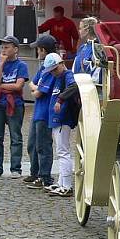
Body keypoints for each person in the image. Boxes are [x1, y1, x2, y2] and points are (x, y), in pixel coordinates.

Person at [0, 35, 29, 178]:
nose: (3, 50)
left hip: (15, 104)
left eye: (7, 47)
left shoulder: (21, 65)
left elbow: (18, 86)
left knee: (15, 137)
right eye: (2, 47)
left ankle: (15, 169)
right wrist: (1, 64)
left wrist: (1, 86)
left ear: (15, 49)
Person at [43, 53, 77, 197]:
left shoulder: (67, 75)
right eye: (52, 70)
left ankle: (67, 185)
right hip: (57, 119)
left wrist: (60, 100)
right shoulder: (58, 77)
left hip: (62, 119)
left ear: (62, 64)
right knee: (61, 151)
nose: (54, 72)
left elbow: (74, 86)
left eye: (55, 69)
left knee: (63, 152)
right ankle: (61, 183)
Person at [24, 34, 56, 189]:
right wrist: (35, 88)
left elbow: (38, 92)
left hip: (45, 112)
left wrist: (35, 89)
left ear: (43, 50)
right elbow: (32, 83)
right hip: (37, 112)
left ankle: (45, 177)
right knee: (32, 144)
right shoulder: (43, 67)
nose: (37, 52)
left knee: (43, 145)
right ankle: (34, 172)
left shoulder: (51, 69)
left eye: (38, 49)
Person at [73, 16, 102, 84]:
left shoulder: (98, 49)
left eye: (80, 28)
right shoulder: (82, 47)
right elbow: (74, 69)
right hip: (78, 85)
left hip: (91, 88)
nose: (79, 31)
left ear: (87, 30)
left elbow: (98, 73)